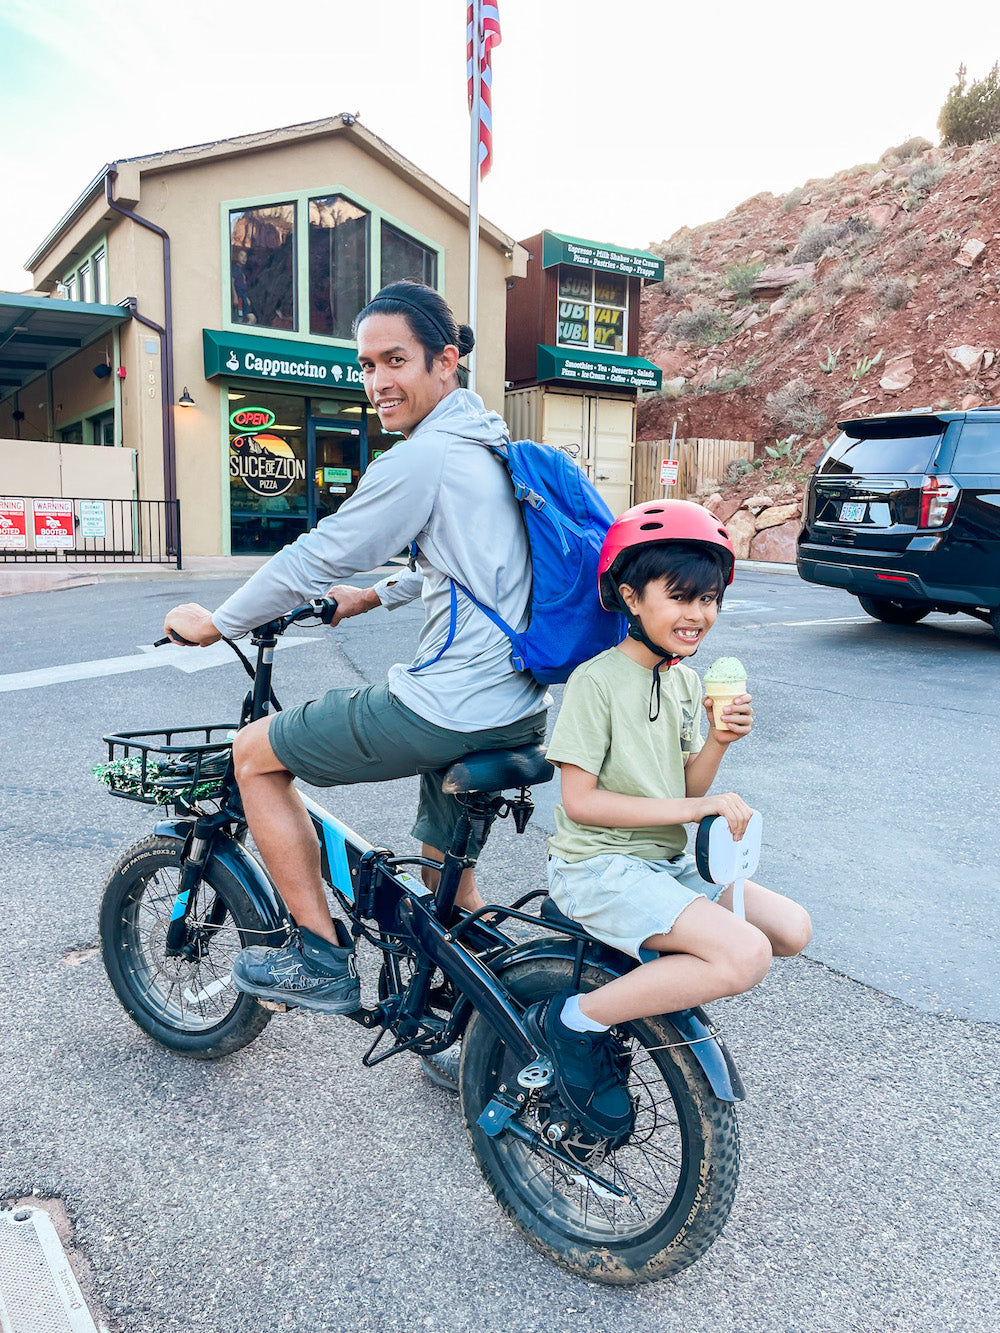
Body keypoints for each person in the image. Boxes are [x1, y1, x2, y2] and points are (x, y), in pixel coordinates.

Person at [163, 280, 547, 1018]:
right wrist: (371, 596)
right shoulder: (493, 445)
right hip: (519, 706)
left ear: (445, 359)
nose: (377, 382)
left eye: (394, 360)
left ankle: (319, 953)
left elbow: (317, 556)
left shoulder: (424, 457)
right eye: (367, 365)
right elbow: (467, 566)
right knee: (448, 884)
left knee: (254, 753)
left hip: (452, 706)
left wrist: (219, 621)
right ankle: (484, 997)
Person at [524, 500, 812, 1138]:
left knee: (792, 929)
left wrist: (718, 742)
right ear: (630, 596)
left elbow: (686, 783)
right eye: (681, 597)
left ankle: (634, 987)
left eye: (710, 599)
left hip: (665, 862)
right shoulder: (594, 682)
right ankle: (575, 1019)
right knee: (744, 957)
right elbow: (580, 803)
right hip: (598, 867)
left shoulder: (684, 681)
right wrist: (698, 807)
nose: (699, 615)